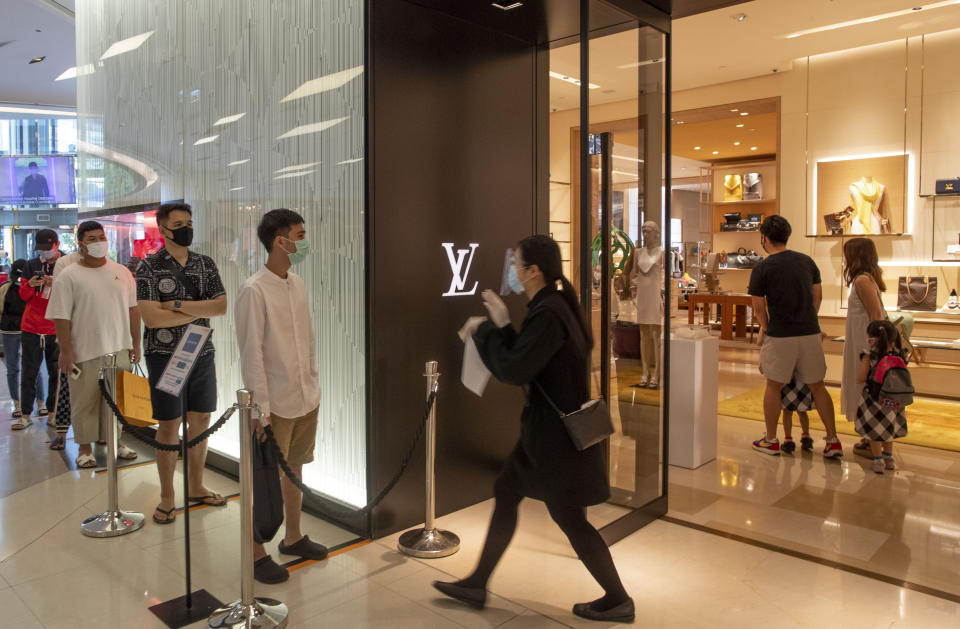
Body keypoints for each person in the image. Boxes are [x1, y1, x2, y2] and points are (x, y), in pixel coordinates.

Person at [434, 235, 634, 623]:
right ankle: (477, 582)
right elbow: (530, 359)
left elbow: (515, 369)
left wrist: (486, 331)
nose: (513, 268)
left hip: (553, 439)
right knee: (511, 492)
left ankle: (617, 597)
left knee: (564, 515)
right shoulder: (555, 305)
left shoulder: (548, 312)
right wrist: (505, 326)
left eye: (518, 263)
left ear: (534, 271)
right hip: (551, 435)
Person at [235, 208, 328, 584]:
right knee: (266, 479)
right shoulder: (253, 289)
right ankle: (255, 552)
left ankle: (293, 536)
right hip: (273, 403)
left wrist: (314, 381)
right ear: (280, 240)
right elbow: (251, 353)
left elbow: (306, 339)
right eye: (299, 234)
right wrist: (260, 409)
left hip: (305, 395)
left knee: (296, 469)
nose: (304, 242)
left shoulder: (297, 283)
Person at [136, 203, 228, 524]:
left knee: (201, 418)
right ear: (163, 229)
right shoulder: (148, 267)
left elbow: (221, 306)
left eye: (189, 222)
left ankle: (196, 485)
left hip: (201, 351)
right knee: (169, 425)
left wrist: (175, 306)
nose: (185, 228)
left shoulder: (205, 263)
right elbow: (151, 318)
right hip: (164, 357)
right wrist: (198, 310)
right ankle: (166, 496)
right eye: (178, 224)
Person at [46, 221, 141, 469]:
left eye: (101, 237)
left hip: (119, 347)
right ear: (81, 244)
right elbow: (60, 315)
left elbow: (133, 310)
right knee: (84, 402)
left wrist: (136, 344)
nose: (99, 242)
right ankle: (84, 448)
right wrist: (66, 350)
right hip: (84, 350)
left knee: (117, 401)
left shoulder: (121, 271)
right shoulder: (69, 275)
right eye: (92, 239)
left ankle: (117, 442)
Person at [748, 216, 843, 458]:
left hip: (780, 335)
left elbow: (758, 308)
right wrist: (809, 319)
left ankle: (771, 440)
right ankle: (832, 440)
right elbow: (817, 297)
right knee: (818, 386)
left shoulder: (763, 268)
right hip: (809, 331)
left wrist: (766, 327)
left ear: (764, 238)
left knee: (773, 385)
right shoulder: (807, 261)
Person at [839, 238, 888, 458]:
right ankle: (870, 437)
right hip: (862, 342)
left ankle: (872, 440)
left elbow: (875, 315)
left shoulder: (861, 281)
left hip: (863, 344)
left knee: (865, 389)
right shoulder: (866, 279)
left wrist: (871, 350)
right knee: (866, 389)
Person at [19, 229, 62, 426]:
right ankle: (25, 413)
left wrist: (57, 284)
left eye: (48, 248)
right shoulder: (31, 265)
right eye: (41, 249)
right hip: (31, 326)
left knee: (57, 372)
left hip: (57, 326)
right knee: (29, 371)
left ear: (57, 244)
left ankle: (54, 412)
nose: (44, 252)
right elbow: (23, 295)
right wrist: (31, 284)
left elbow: (75, 293)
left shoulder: (67, 264)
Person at [855, 320, 908, 474]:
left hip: (874, 400)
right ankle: (889, 458)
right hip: (894, 400)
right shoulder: (900, 354)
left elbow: (861, 378)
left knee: (874, 431)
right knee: (888, 429)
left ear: (871, 339)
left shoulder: (870, 356)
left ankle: (878, 461)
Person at [1, 259, 47, 428]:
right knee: (13, 368)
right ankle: (17, 404)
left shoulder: (38, 285)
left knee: (34, 368)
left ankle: (41, 403)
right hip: (10, 332)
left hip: (31, 330)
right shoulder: (5, 288)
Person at [779, 376, 814, 454]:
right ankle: (806, 436)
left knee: (787, 411)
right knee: (802, 411)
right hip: (802, 380)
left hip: (789, 380)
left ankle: (788, 440)